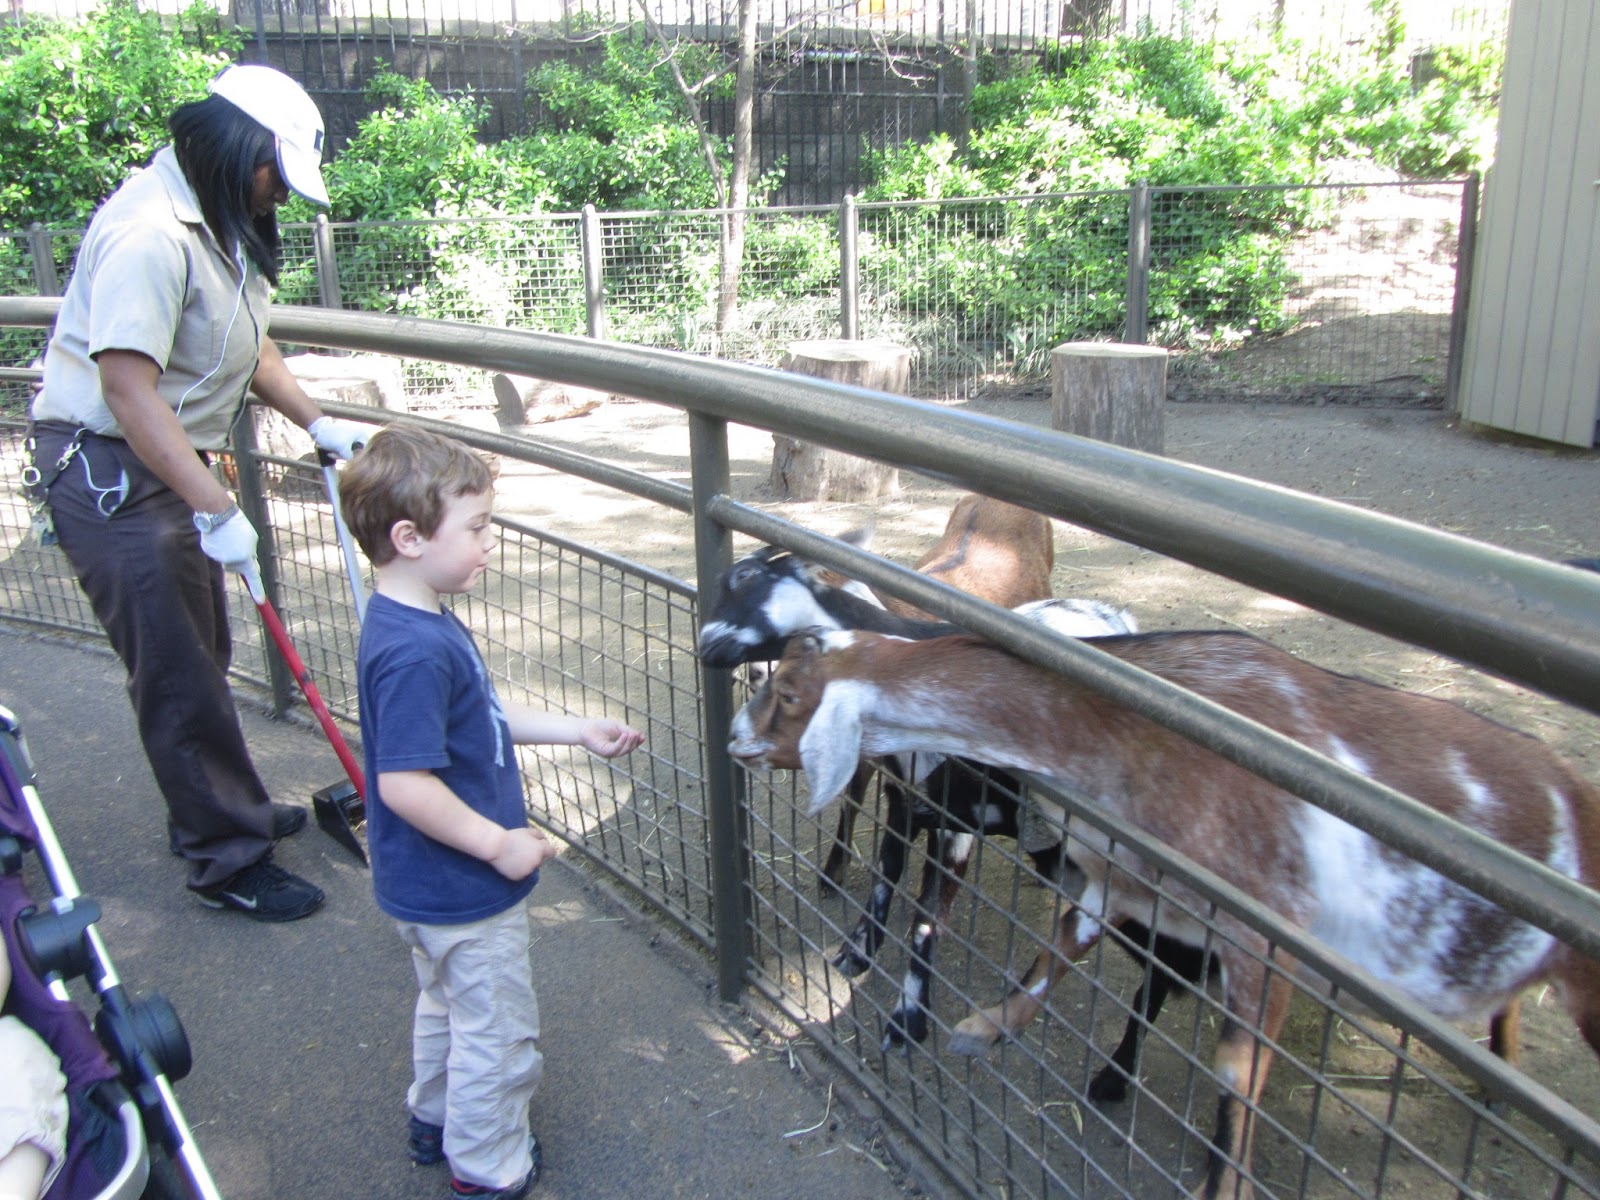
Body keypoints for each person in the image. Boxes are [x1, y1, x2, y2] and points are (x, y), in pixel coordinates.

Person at [25, 63, 369, 921]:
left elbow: (251, 347)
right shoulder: (150, 232)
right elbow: (126, 389)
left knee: (202, 651)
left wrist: (318, 422)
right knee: (178, 671)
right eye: (276, 175)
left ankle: (225, 806)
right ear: (237, 148)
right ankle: (226, 858)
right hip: (112, 473)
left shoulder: (218, 223)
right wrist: (217, 506)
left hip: (166, 461)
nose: (279, 196)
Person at [338, 425, 643, 1199]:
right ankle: (487, 1165)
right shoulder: (417, 650)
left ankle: (436, 1116)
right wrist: (497, 844)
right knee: (500, 1034)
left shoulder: (412, 617)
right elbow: (404, 784)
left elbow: (478, 719)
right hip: (463, 890)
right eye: (475, 528)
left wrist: (574, 731)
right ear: (409, 538)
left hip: (423, 888)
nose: (490, 542)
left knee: (447, 1005)